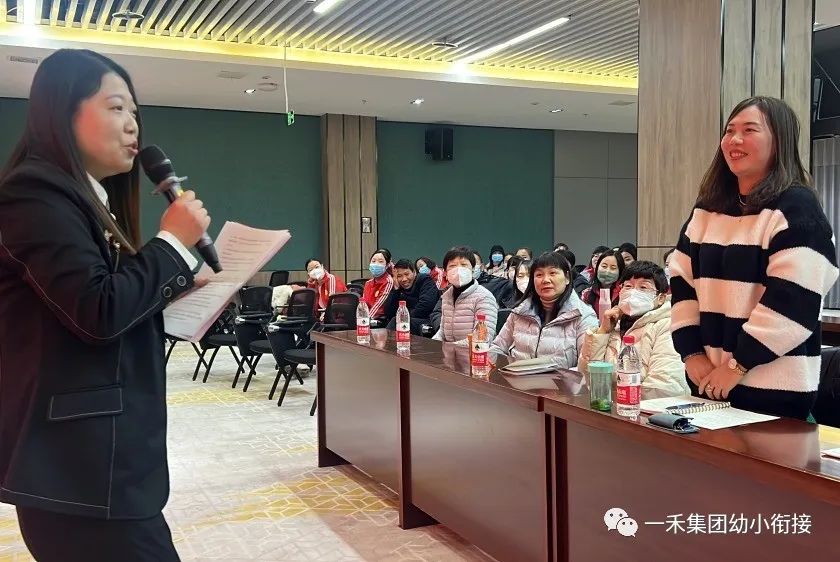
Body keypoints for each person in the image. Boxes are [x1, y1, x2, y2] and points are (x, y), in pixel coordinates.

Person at [0, 49, 210, 561]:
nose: (133, 124)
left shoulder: (86, 200)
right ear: (62, 111)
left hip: (100, 465)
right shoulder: (34, 193)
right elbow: (97, 312)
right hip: (78, 468)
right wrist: (172, 244)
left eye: (134, 111)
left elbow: (86, 309)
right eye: (116, 107)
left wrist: (174, 286)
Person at [671, 96, 839, 420]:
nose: (735, 139)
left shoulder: (797, 208)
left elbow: (794, 301)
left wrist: (738, 365)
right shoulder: (707, 209)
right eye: (729, 130)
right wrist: (691, 354)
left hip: (774, 393)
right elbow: (681, 283)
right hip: (707, 387)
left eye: (749, 130)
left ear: (779, 141)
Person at [579, 261, 690, 399]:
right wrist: (602, 332)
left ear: (660, 298)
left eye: (643, 287)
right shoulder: (615, 325)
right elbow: (588, 377)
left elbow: (664, 388)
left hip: (646, 408)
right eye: (628, 286)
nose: (633, 292)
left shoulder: (668, 326)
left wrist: (620, 399)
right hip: (608, 406)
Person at [491, 252, 597, 367]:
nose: (546, 280)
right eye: (539, 275)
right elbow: (497, 348)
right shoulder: (520, 312)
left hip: (561, 379)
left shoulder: (583, 316)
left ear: (567, 278)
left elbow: (588, 367)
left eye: (552, 273)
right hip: (515, 377)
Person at [433, 247, 498, 343]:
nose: (458, 270)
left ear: (473, 269)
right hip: (449, 351)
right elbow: (442, 332)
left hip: (474, 351)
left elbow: (482, 339)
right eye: (452, 266)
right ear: (445, 272)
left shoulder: (484, 297)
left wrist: (450, 347)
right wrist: (433, 344)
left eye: (464, 265)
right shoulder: (446, 296)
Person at [384, 259, 439, 334]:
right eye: (399, 276)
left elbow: (426, 306)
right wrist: (396, 289)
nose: (404, 279)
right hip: (408, 321)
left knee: (396, 322)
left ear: (414, 272)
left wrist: (404, 317)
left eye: (407, 274)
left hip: (427, 321)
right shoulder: (399, 288)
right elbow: (388, 313)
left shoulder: (424, 279)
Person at [581, 249, 626, 317]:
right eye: (604, 266)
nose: (607, 271)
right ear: (597, 268)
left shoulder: (624, 293)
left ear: (620, 271)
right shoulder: (587, 294)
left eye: (613, 268)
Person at [362, 249, 394, 321]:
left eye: (380, 261)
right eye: (373, 261)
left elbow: (378, 306)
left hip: (378, 320)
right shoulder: (368, 283)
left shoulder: (388, 281)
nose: (376, 264)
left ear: (387, 265)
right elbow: (364, 304)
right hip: (365, 318)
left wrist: (365, 320)